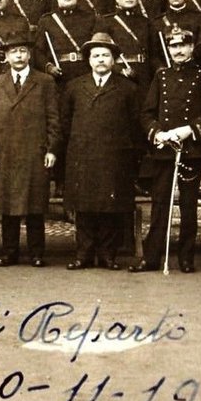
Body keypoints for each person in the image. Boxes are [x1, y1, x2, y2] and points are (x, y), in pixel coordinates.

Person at [131, 24, 201, 274]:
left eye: (183, 45)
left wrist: (189, 130)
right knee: (160, 203)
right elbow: (147, 112)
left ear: (192, 47)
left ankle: (186, 257)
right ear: (168, 48)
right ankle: (151, 258)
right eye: (174, 46)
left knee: (189, 206)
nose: (178, 50)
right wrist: (157, 132)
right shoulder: (161, 77)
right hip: (164, 150)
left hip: (190, 149)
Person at [59, 32, 141, 270]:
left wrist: (128, 152)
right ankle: (83, 254)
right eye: (96, 56)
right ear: (89, 60)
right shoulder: (75, 87)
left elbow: (135, 124)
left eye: (106, 55)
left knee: (109, 207)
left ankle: (108, 255)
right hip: (82, 154)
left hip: (115, 155)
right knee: (83, 207)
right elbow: (65, 122)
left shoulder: (127, 88)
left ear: (114, 60)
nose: (101, 60)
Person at [0, 27, 60, 267]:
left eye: (22, 51)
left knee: (35, 205)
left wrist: (51, 149)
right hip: (5, 151)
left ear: (29, 55)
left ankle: (37, 253)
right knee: (8, 206)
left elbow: (54, 119)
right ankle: (9, 252)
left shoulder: (45, 82)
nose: (18, 56)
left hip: (34, 151)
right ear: (5, 56)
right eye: (13, 52)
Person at [96, 0, 156, 95]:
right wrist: (120, 70)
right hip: (117, 75)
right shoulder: (106, 22)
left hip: (144, 76)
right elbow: (98, 54)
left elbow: (154, 53)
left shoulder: (146, 23)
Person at [37, 0, 96, 83]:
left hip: (86, 73)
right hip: (59, 76)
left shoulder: (90, 18)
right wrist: (49, 67)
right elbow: (38, 51)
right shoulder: (47, 20)